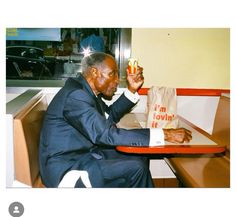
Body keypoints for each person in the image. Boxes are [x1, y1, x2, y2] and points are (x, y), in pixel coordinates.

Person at [39, 52, 192, 188]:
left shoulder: (86, 91)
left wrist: (132, 90)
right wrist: (164, 134)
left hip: (83, 155)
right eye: (112, 74)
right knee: (136, 168)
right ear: (94, 72)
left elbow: (109, 116)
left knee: (140, 155)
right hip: (67, 169)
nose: (117, 81)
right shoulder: (76, 96)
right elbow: (105, 134)